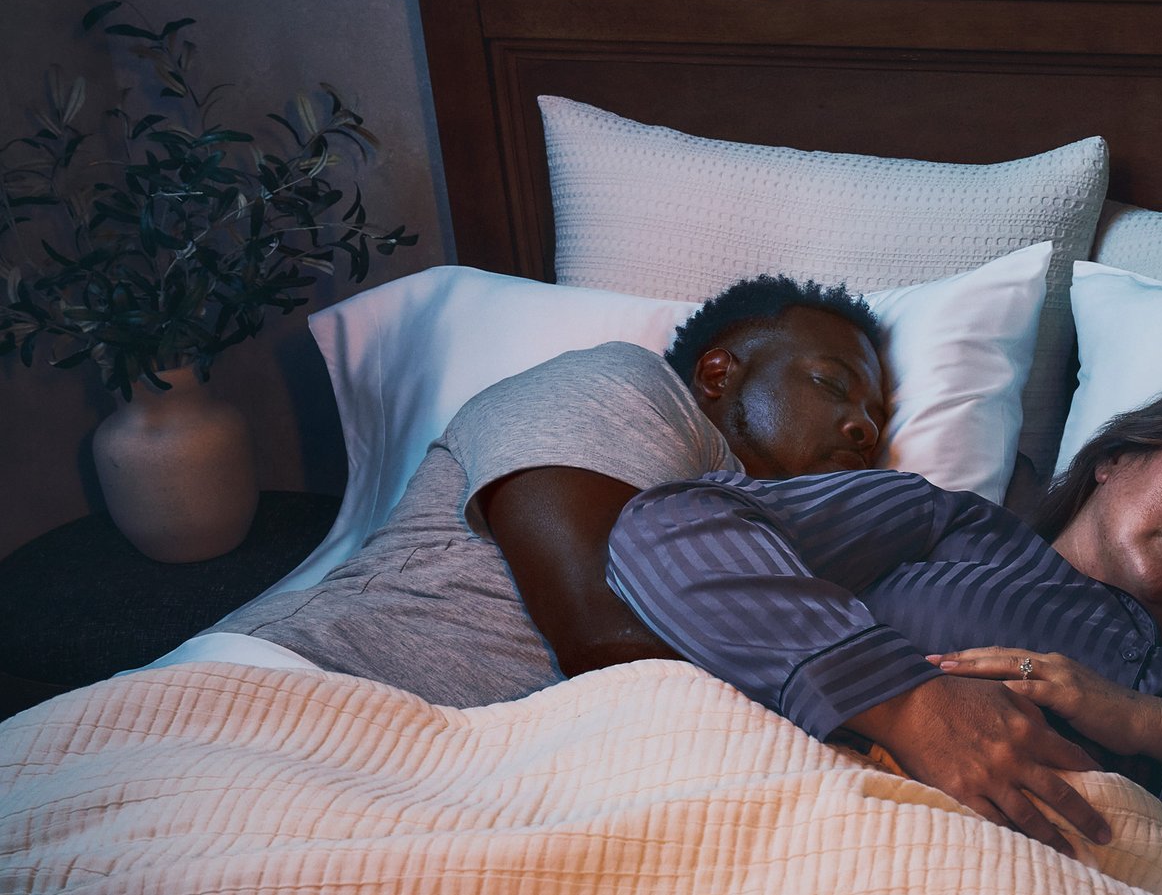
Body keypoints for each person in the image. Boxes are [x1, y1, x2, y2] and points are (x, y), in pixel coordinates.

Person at [606, 372, 1162, 883]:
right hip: (800, 849)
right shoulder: (946, 527)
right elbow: (667, 534)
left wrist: (1150, 725)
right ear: (1116, 458)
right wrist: (906, 699)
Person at [219, 276, 891, 707]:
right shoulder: (629, 385)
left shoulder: (791, 532)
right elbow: (599, 635)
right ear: (718, 372)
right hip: (304, 687)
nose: (863, 425)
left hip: (483, 769)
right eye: (832, 385)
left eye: (878, 417)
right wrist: (887, 700)